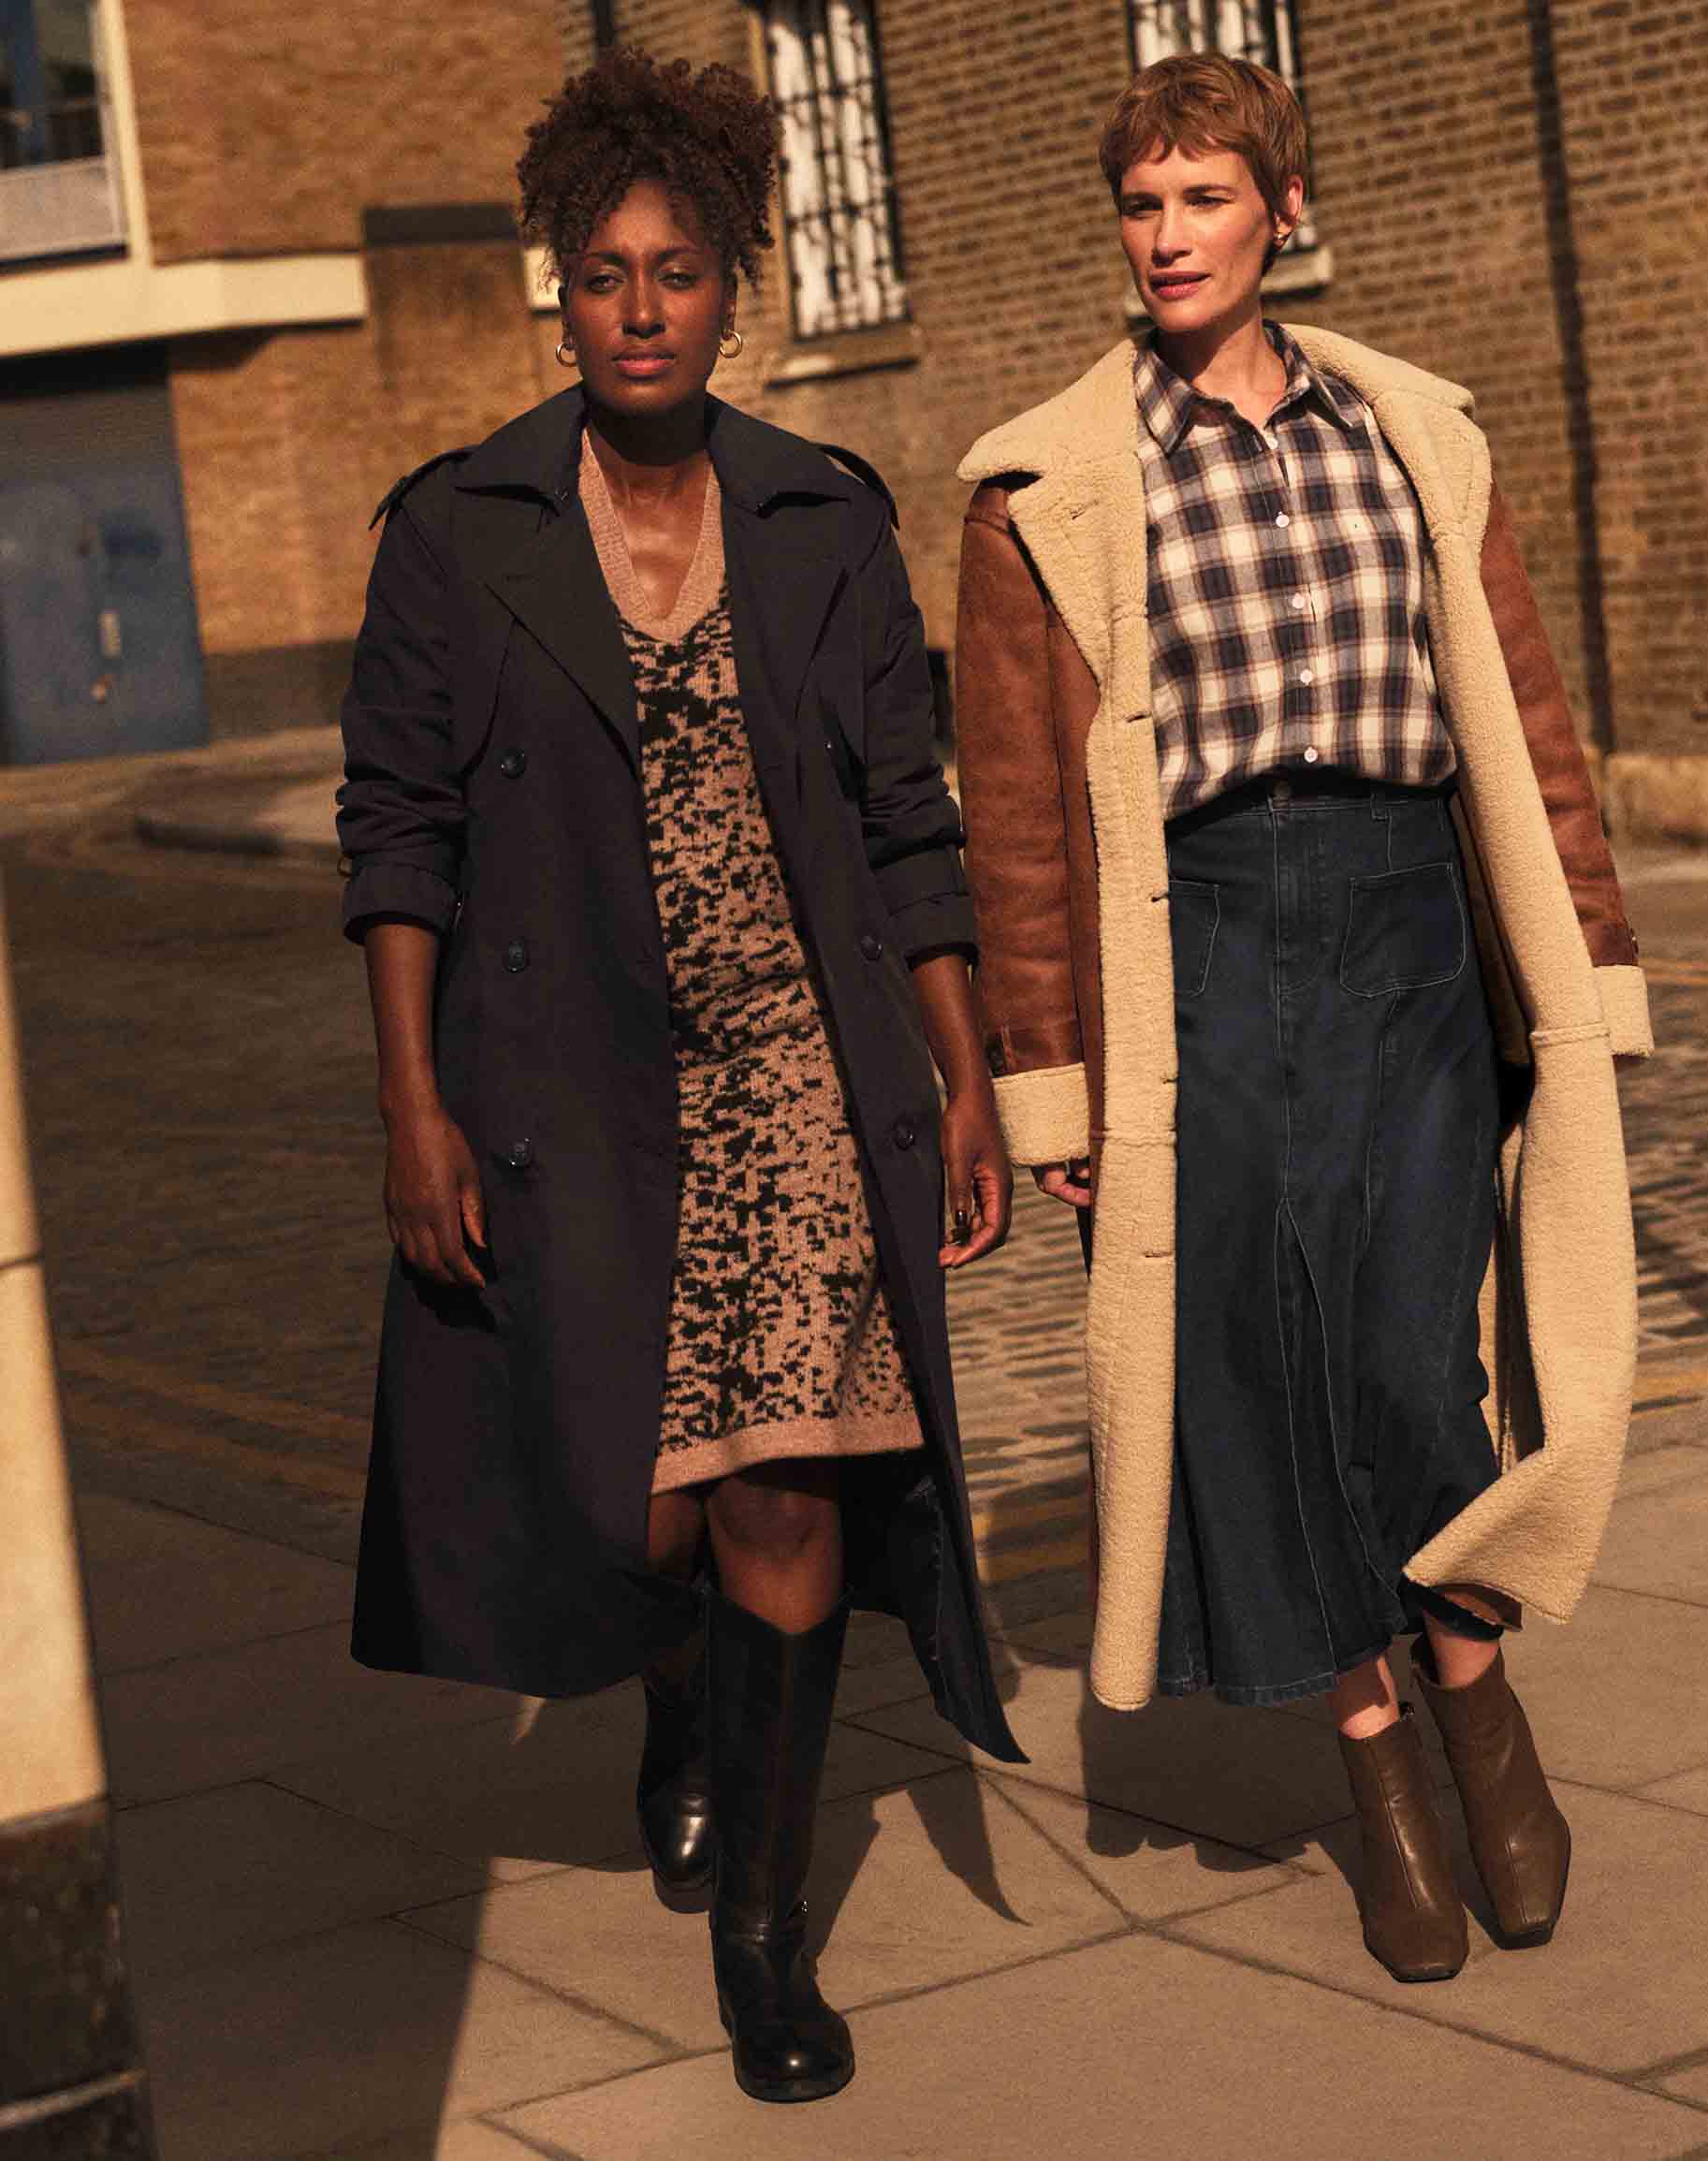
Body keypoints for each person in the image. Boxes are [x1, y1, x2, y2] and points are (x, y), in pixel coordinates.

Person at [336, 48, 1019, 2104]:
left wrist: (964, 1073)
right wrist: (413, 1106)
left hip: (799, 1073)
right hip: (565, 1088)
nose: (641, 309)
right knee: (637, 1515)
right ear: (561, 294)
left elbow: (906, 819)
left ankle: (764, 1940)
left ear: (735, 291)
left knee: (787, 1482)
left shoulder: (821, 516)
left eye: (680, 272)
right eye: (604, 274)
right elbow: (397, 836)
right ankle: (682, 1701)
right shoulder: (458, 529)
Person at [953, 53, 1651, 1984]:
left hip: (1409, 921)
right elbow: (1014, 818)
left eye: (1203, 199)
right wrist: (1050, 1079)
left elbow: (1524, 715)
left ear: (1280, 212)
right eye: (1142, 203)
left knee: (1418, 1354)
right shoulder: (1042, 484)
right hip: (1198, 944)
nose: (1167, 237)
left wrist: (1587, 964)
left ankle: (1474, 1694)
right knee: (1262, 1365)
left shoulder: (1410, 432)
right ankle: (1377, 1766)